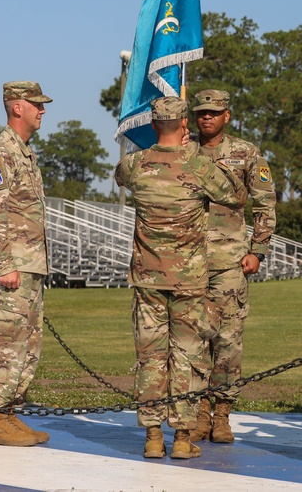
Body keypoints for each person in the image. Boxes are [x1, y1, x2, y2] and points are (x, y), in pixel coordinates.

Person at [115, 96, 247, 460]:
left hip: (147, 282)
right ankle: (184, 438)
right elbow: (237, 195)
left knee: (151, 358)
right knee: (189, 357)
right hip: (189, 282)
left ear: (155, 126)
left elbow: (120, 176)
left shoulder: (135, 164)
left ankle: (153, 436)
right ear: (185, 124)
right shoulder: (199, 165)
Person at [188, 89, 276, 444]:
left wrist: (259, 249)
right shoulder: (184, 151)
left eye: (214, 112)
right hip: (188, 262)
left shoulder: (246, 153)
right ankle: (196, 413)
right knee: (191, 341)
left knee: (227, 341)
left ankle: (221, 414)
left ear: (227, 115)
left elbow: (265, 202)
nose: (206, 117)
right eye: (201, 113)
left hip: (229, 263)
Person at [0, 81, 53, 447]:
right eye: (36, 104)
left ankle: (8, 414)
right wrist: (5, 263)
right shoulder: (0, 153)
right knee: (6, 342)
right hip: (12, 268)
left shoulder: (24, 153)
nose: (42, 110)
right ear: (16, 107)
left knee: (27, 343)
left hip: (30, 266)